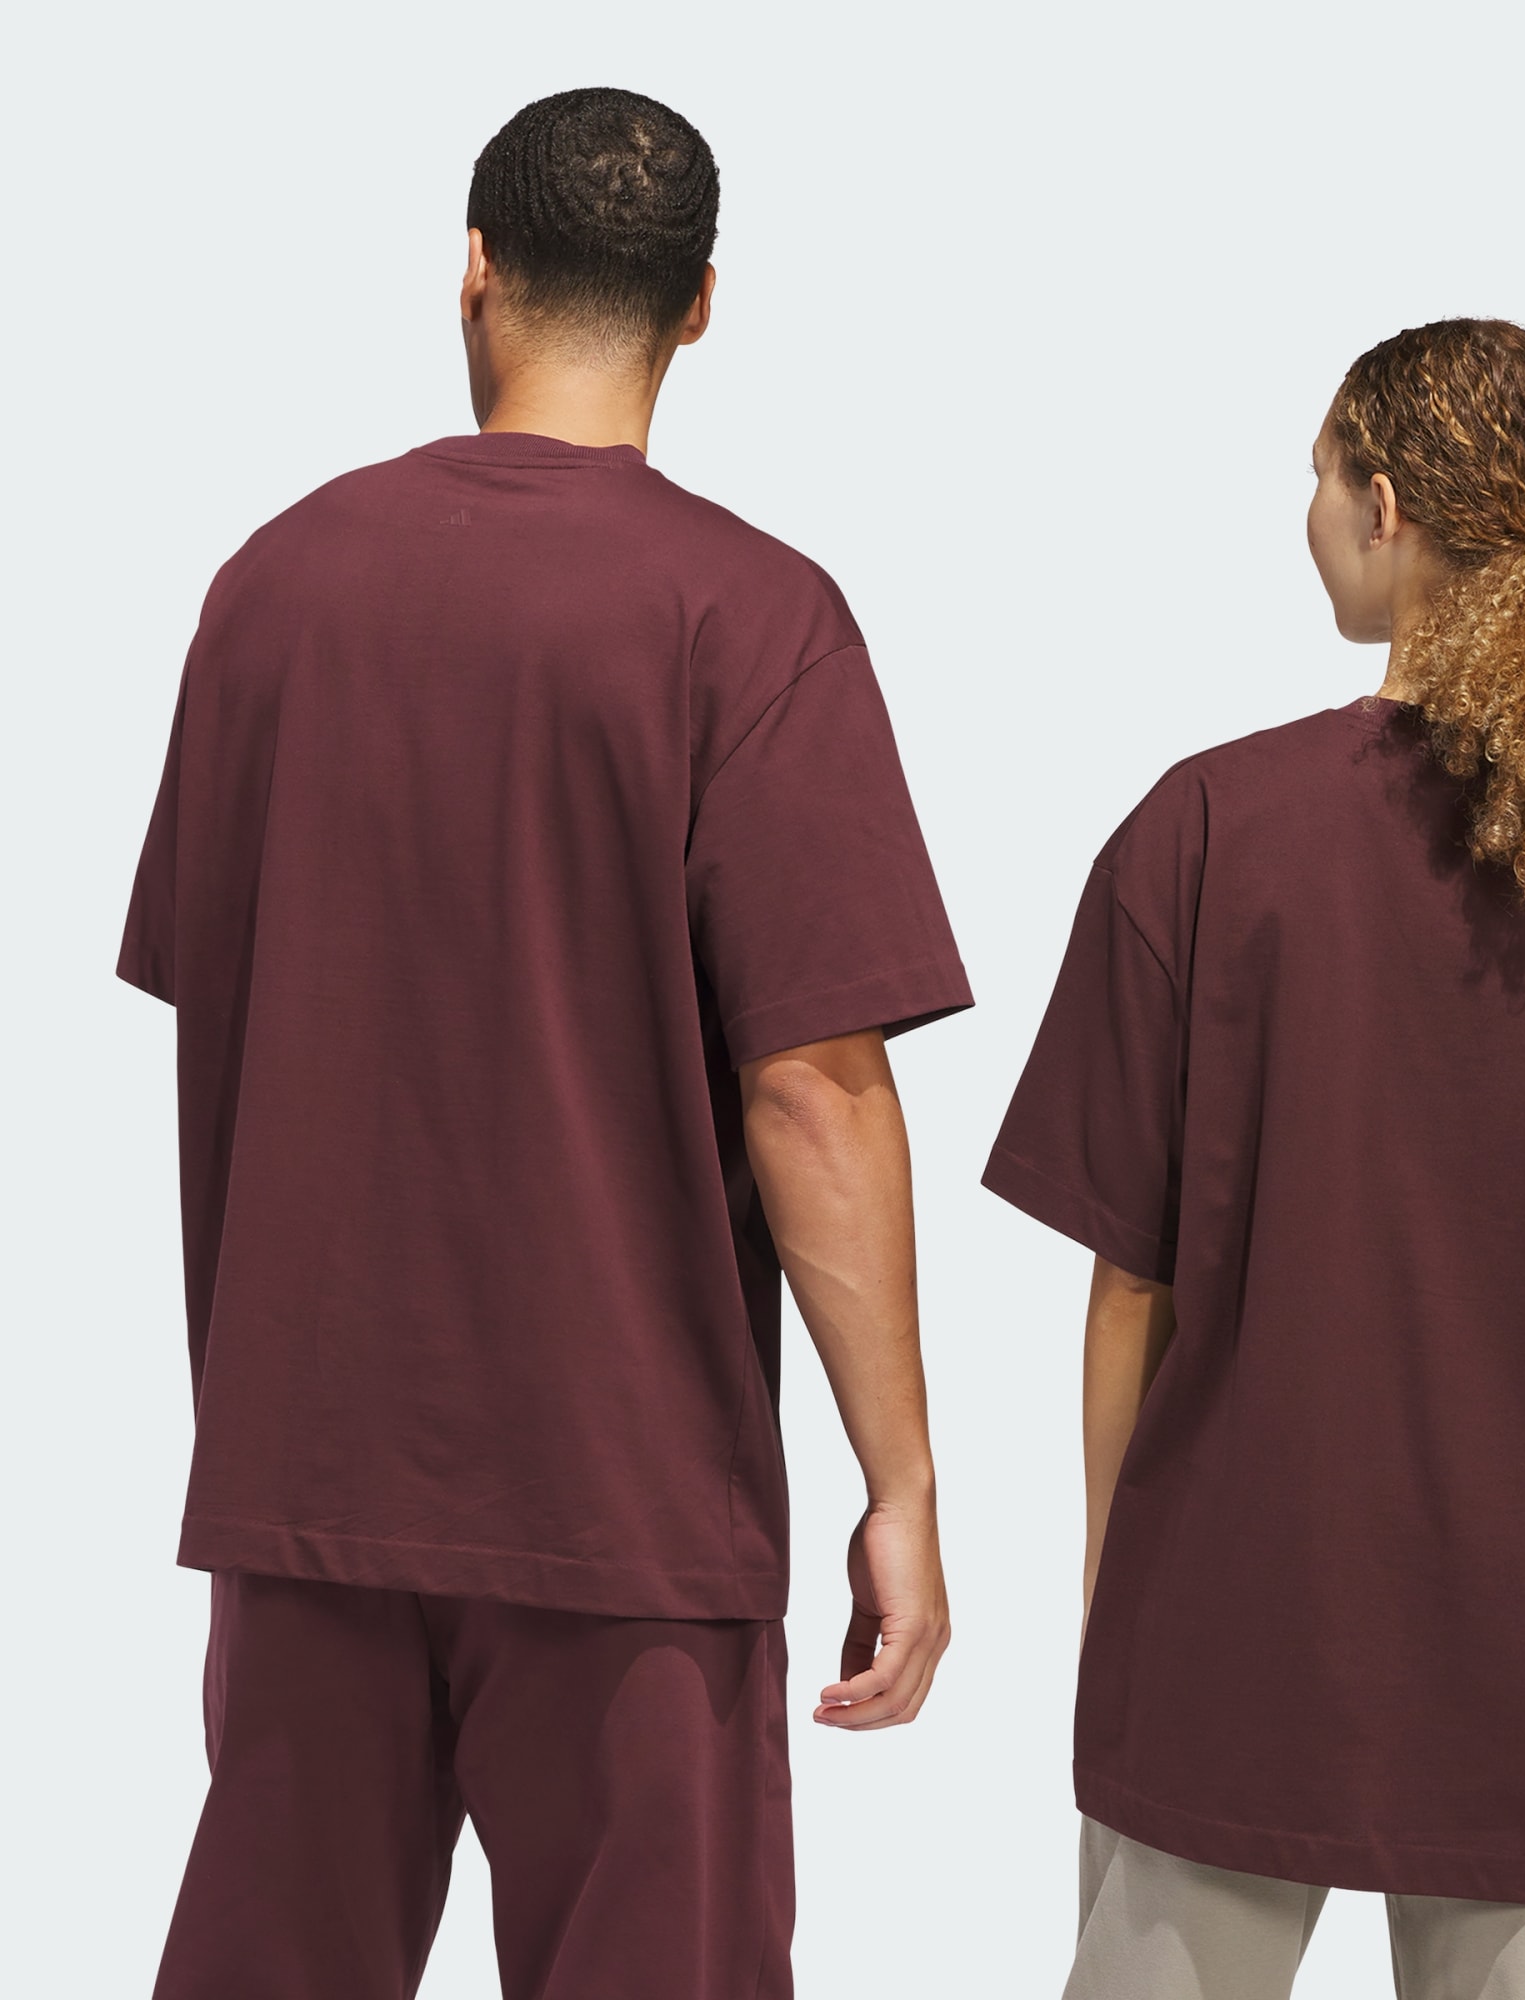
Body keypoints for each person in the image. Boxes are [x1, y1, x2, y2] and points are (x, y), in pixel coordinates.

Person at [117, 87, 970, 2000]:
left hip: (306, 1477)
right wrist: (901, 1485)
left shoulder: (270, 591)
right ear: (701, 304)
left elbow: (225, 984)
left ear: (476, 271)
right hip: (628, 1503)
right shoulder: (753, 621)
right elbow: (813, 1091)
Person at [984, 318, 1525, 2000]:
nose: (1308, 515)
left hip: (1238, 1629)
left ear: (1384, 504)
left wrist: (1119, 1603)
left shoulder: (1206, 831)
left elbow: (1130, 1291)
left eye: (1318, 478)